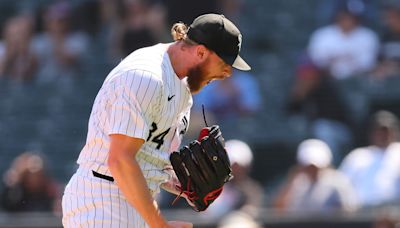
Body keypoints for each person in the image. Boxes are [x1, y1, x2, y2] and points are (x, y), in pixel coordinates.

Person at [62, 13, 251, 228]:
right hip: (101, 202)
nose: (227, 73)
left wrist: (183, 184)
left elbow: (151, 159)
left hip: (133, 200)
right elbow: (120, 160)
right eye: (224, 63)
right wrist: (159, 225)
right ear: (200, 52)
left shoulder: (182, 86)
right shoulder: (145, 76)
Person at [273, 139, 359, 213]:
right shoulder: (296, 183)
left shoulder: (338, 182)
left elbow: (349, 211)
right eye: (308, 167)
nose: (313, 170)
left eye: (316, 167)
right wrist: (290, 182)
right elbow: (279, 210)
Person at [339, 110, 400, 207]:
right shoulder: (358, 156)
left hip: (395, 212)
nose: (383, 135)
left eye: (387, 131)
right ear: (372, 133)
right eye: (380, 132)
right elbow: (343, 185)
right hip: (363, 213)